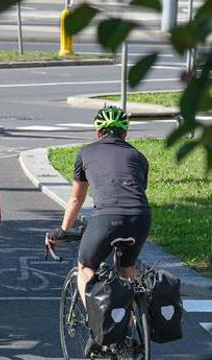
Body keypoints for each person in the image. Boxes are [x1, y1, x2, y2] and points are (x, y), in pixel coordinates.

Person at [46, 106, 152, 307]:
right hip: (141, 217)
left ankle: (98, 326)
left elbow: (76, 200)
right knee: (127, 267)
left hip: (107, 217)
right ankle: (132, 324)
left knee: (85, 267)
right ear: (125, 133)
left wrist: (62, 231)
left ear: (97, 132)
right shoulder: (139, 157)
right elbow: (136, 191)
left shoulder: (85, 153)